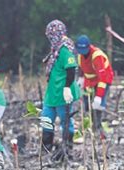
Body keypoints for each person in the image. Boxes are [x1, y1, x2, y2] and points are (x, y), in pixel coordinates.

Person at [41, 20, 80, 154]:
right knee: (46, 119)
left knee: (66, 121)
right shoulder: (55, 49)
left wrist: (67, 87)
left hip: (63, 93)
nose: (50, 38)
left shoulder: (65, 49)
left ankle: (66, 150)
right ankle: (46, 149)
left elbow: (71, 69)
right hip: (52, 93)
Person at [75, 35, 114, 136]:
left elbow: (102, 79)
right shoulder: (79, 55)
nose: (82, 52)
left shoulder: (97, 56)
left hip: (104, 78)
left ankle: (98, 127)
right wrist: (81, 78)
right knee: (86, 102)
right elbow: (81, 67)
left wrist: (99, 96)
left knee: (98, 104)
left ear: (89, 47)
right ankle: (89, 123)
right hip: (89, 79)